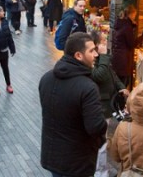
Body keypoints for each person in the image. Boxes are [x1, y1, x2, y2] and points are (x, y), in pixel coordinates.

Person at [39, 32, 107, 177]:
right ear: (78, 56)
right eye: (91, 51)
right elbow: (95, 127)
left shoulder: (46, 79)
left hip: (52, 156)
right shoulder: (87, 87)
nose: (96, 54)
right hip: (77, 163)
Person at [90, 31, 129, 119]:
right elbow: (99, 75)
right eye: (103, 41)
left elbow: (113, 74)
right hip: (101, 102)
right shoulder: (92, 58)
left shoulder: (103, 58)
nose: (106, 43)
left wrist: (121, 87)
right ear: (96, 44)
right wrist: (104, 55)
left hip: (109, 101)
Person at [111, 5, 143, 90]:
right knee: (123, 85)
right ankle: (119, 102)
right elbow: (132, 43)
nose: (135, 17)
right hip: (124, 60)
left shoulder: (120, 24)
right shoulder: (127, 27)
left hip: (118, 58)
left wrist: (133, 26)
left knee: (118, 83)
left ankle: (116, 101)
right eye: (134, 15)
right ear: (131, 15)